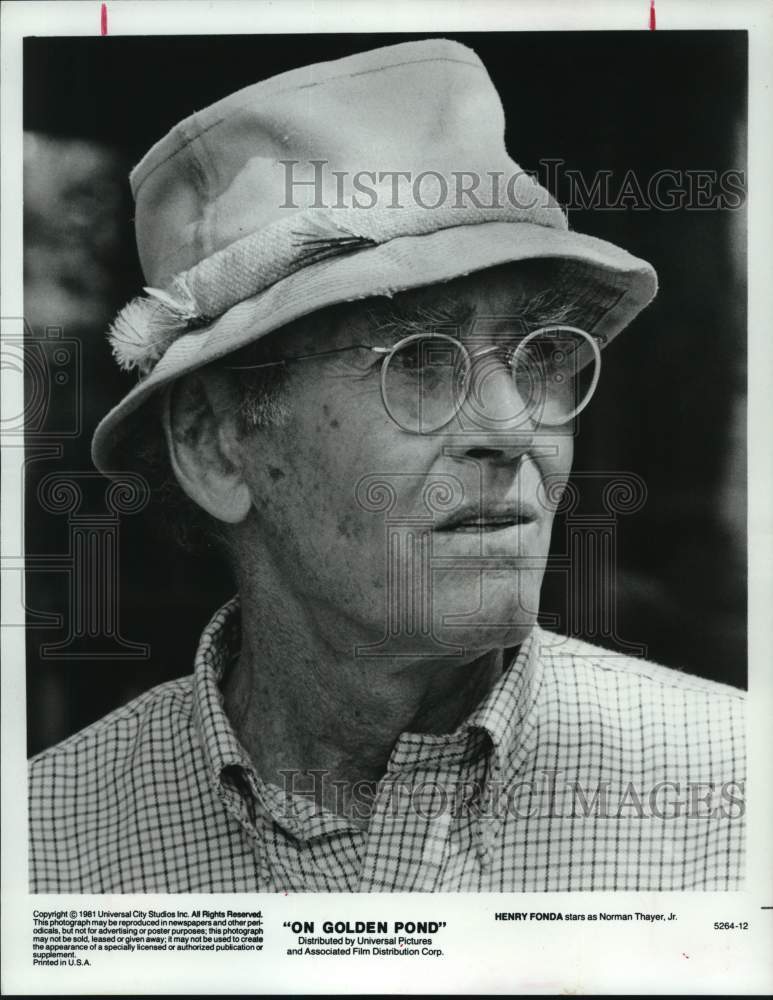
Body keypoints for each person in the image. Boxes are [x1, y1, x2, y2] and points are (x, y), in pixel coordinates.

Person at [28, 38, 745, 892]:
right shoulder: (47, 847)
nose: (512, 429)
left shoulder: (735, 797)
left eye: (541, 355)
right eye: (418, 360)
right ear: (216, 444)